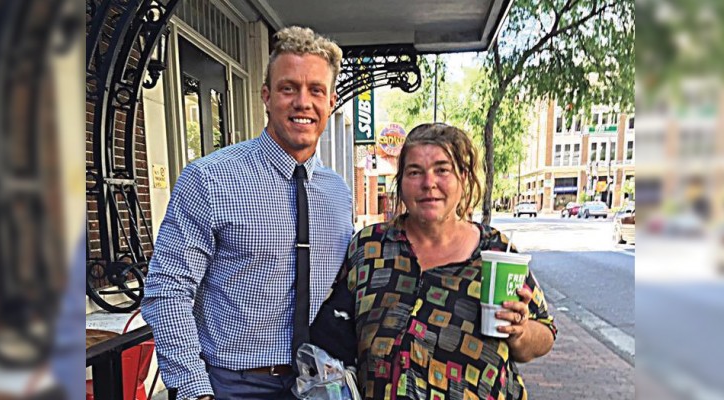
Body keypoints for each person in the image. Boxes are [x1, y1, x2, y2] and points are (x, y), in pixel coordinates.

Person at [142, 26, 353, 400]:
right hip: (233, 385)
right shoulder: (209, 179)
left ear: (331, 101)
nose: (303, 102)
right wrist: (195, 389)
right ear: (267, 97)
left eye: (316, 90)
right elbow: (168, 289)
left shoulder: (338, 192)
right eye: (289, 88)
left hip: (319, 382)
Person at [311, 123, 557, 399]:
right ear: (401, 182)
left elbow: (545, 334)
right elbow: (333, 329)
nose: (429, 183)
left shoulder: (497, 254)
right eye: (415, 172)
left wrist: (520, 332)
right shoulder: (370, 248)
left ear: (463, 178)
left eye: (442, 170)